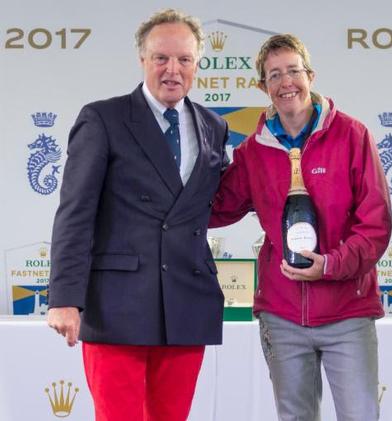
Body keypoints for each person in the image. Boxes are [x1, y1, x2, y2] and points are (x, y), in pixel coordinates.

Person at [46, 9, 228, 421]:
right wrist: (64, 299)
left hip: (186, 303)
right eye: (160, 58)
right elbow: (75, 213)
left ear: (197, 65)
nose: (172, 69)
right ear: (142, 60)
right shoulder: (103, 118)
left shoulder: (214, 126)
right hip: (116, 306)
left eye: (183, 59)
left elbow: (206, 204)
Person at [209, 34, 391, 421]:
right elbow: (218, 209)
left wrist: (332, 264)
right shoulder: (252, 151)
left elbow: (375, 224)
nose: (286, 82)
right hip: (283, 314)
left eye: (293, 71)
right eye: (274, 75)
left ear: (310, 75)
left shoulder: (352, 135)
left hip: (348, 312)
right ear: (263, 87)